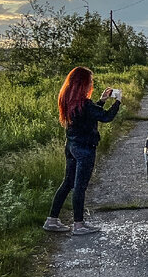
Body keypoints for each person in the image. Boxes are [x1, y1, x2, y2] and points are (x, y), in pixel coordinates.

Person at [43, 66, 121, 235]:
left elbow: (91, 113)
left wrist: (101, 101)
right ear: (83, 83)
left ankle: (52, 220)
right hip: (85, 148)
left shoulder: (68, 99)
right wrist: (118, 101)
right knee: (80, 187)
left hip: (71, 146)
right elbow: (106, 117)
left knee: (68, 183)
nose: (91, 84)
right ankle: (78, 225)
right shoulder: (84, 103)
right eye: (90, 81)